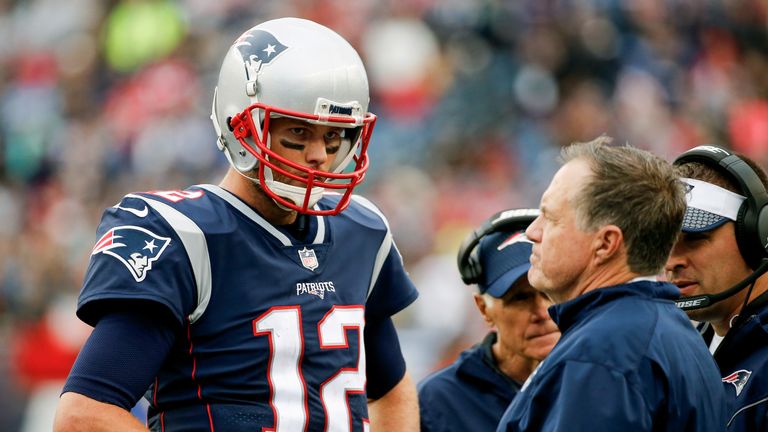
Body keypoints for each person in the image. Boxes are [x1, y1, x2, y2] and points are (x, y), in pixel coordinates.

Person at [53, 17, 419, 432]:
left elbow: (390, 387)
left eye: (334, 136)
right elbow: (84, 414)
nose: (319, 154)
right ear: (239, 124)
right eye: (299, 131)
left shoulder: (362, 231)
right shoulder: (183, 235)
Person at [497, 136, 727, 431]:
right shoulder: (670, 332)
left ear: (605, 243)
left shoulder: (600, 355)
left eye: (550, 218)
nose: (532, 232)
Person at [417, 208, 559, 432]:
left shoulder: (598, 378)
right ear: (484, 309)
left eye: (549, 291)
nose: (542, 312)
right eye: (520, 298)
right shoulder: (439, 402)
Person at [665, 145, 768, 431]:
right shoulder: (685, 348)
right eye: (666, 243)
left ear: (757, 234)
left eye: (694, 239)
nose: (672, 261)